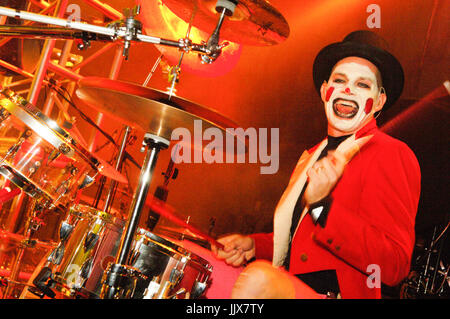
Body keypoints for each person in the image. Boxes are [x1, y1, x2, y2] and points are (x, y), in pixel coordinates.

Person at [211, 30, 421, 299]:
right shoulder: (310, 155)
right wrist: (254, 245)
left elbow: (395, 265)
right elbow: (298, 244)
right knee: (208, 268)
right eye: (340, 80)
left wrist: (323, 206)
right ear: (325, 91)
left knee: (259, 280)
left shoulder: (391, 153)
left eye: (362, 85)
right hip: (289, 284)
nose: (347, 89)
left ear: (379, 101)